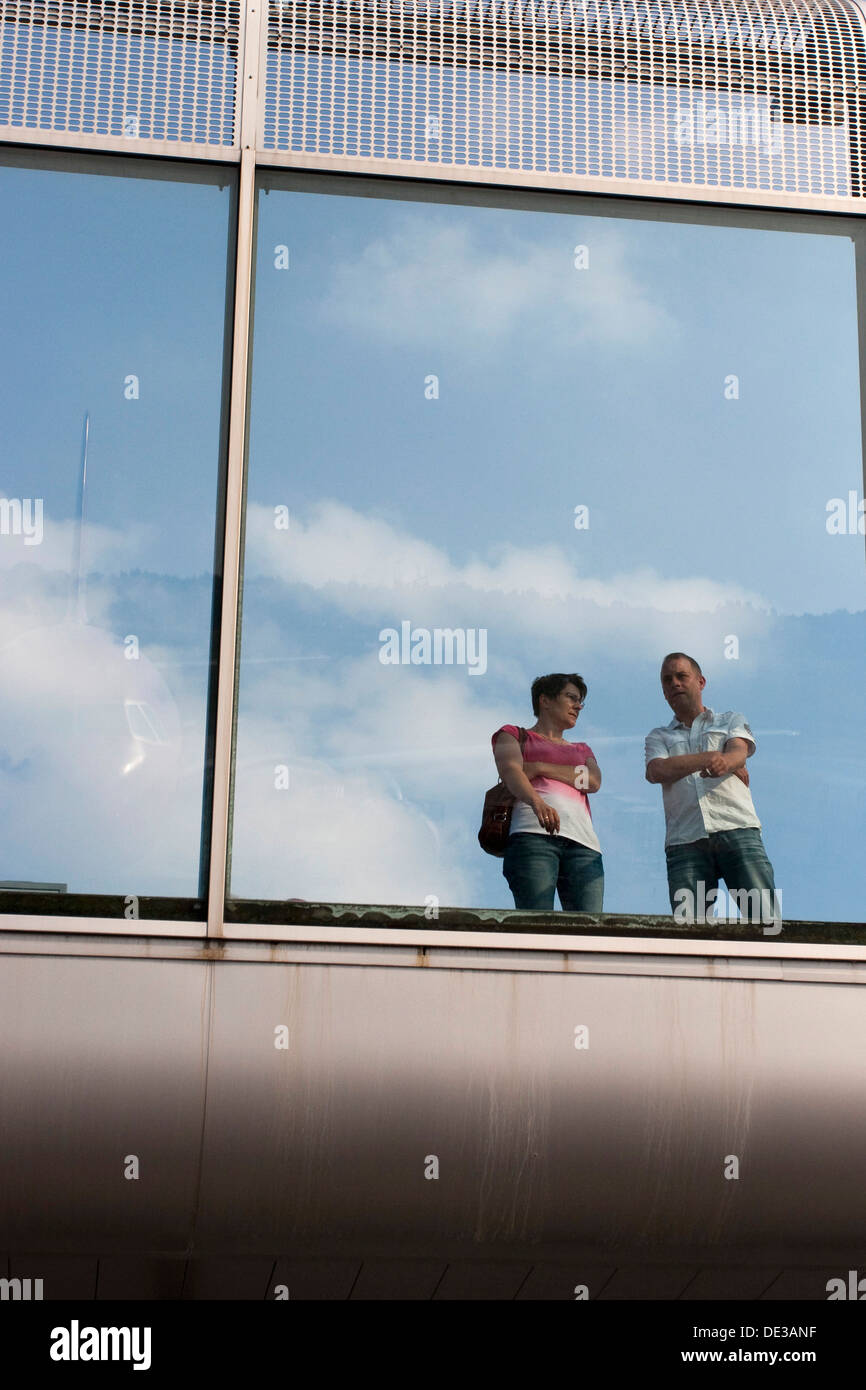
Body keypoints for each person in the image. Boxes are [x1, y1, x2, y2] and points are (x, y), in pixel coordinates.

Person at [645, 652, 779, 927]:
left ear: (700, 681)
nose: (674, 683)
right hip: (685, 840)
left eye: (682, 676)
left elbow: (738, 754)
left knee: (765, 922)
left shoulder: (730, 719)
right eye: (667, 680)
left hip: (736, 827)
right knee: (690, 930)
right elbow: (656, 771)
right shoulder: (658, 735)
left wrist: (727, 761)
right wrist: (711, 758)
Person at [492, 673, 603, 912]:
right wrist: (537, 802)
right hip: (532, 837)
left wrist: (541, 767)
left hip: (584, 845)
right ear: (545, 700)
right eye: (571, 698)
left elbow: (592, 781)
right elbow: (511, 772)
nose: (578, 706)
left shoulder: (582, 749)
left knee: (590, 932)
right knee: (537, 924)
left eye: (580, 701)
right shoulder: (512, 735)